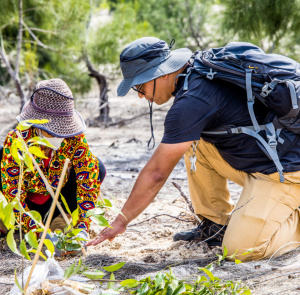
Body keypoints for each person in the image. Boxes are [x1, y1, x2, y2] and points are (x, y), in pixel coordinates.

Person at [87, 37, 300, 261]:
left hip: (284, 171)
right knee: (192, 141)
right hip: (264, 156)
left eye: (140, 86)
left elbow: (157, 174)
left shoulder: (191, 101)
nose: (141, 95)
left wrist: (120, 222)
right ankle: (215, 225)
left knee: (241, 250)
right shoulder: (199, 68)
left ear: (163, 73)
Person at [0, 78, 106, 246]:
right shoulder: (18, 140)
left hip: (54, 203)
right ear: (38, 124)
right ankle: (10, 224)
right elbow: (12, 193)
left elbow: (88, 179)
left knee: (97, 166)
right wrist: (37, 230)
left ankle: (57, 220)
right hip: (25, 205)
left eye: (62, 131)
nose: (59, 136)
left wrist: (83, 227)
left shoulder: (74, 139)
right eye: (53, 131)